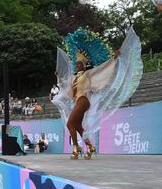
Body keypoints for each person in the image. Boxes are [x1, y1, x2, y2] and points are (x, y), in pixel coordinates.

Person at [53, 28, 142, 160]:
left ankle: (76, 148)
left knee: (69, 124)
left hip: (84, 100)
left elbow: (102, 69)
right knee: (77, 126)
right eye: (76, 64)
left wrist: (113, 59)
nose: (77, 66)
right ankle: (90, 147)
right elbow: (66, 86)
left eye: (79, 64)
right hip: (78, 101)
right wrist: (59, 77)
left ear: (84, 64)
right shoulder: (74, 77)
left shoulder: (88, 74)